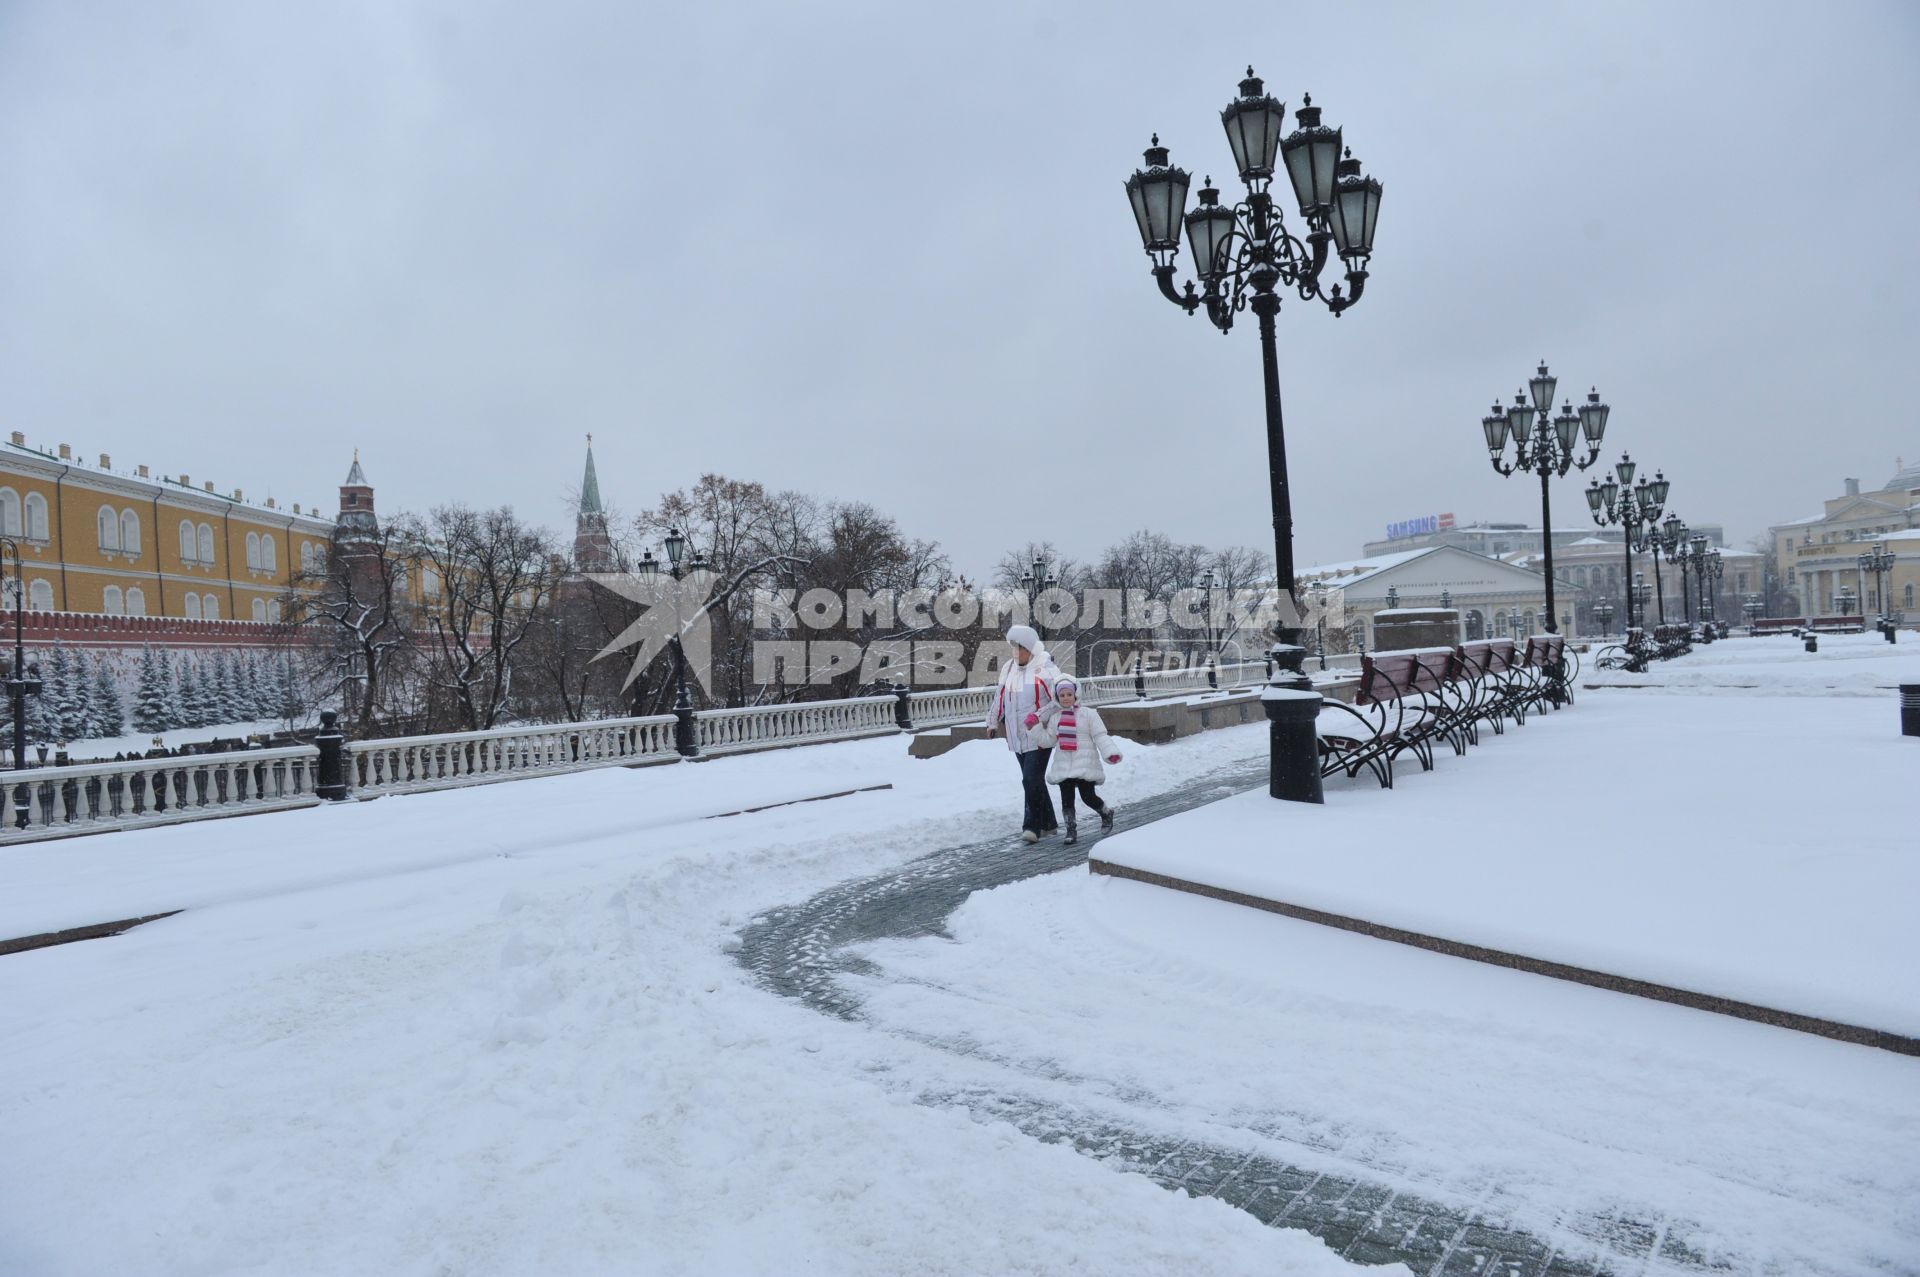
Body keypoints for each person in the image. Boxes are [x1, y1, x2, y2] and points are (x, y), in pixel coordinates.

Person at [984, 624, 1059, 843]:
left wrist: (1038, 715)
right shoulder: (1008, 668)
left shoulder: (1044, 669)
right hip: (1016, 736)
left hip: (1039, 736)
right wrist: (992, 722)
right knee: (1034, 781)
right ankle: (1049, 824)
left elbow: (1060, 699)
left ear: (1031, 649)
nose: (1016, 653)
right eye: (1013, 648)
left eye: (1020, 648)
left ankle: (1032, 827)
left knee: (1029, 780)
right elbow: (1000, 697)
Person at [1028, 675, 1120, 846]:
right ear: (1057, 698)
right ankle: (1071, 830)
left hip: (1084, 761)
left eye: (1069, 694)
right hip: (1064, 763)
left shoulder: (1088, 714)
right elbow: (1048, 740)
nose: (1066, 698)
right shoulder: (1056, 718)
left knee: (1087, 796)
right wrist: (1033, 728)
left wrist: (1110, 752)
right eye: (1062, 695)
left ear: (1076, 694)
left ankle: (1106, 812)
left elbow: (1100, 736)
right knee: (1066, 799)